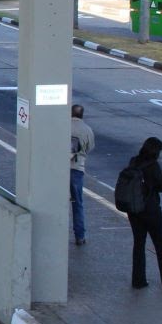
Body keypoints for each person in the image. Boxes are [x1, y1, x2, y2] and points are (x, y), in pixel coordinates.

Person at [125, 136, 162, 290]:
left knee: (139, 244)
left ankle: (138, 280)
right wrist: (161, 177)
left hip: (134, 210)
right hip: (150, 210)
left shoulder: (133, 161)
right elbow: (161, 187)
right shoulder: (154, 166)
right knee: (159, 244)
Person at [69, 104, 95, 245]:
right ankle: (80, 236)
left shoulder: (63, 125)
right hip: (77, 169)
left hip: (60, 168)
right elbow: (90, 147)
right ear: (82, 115)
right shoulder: (87, 130)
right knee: (77, 203)